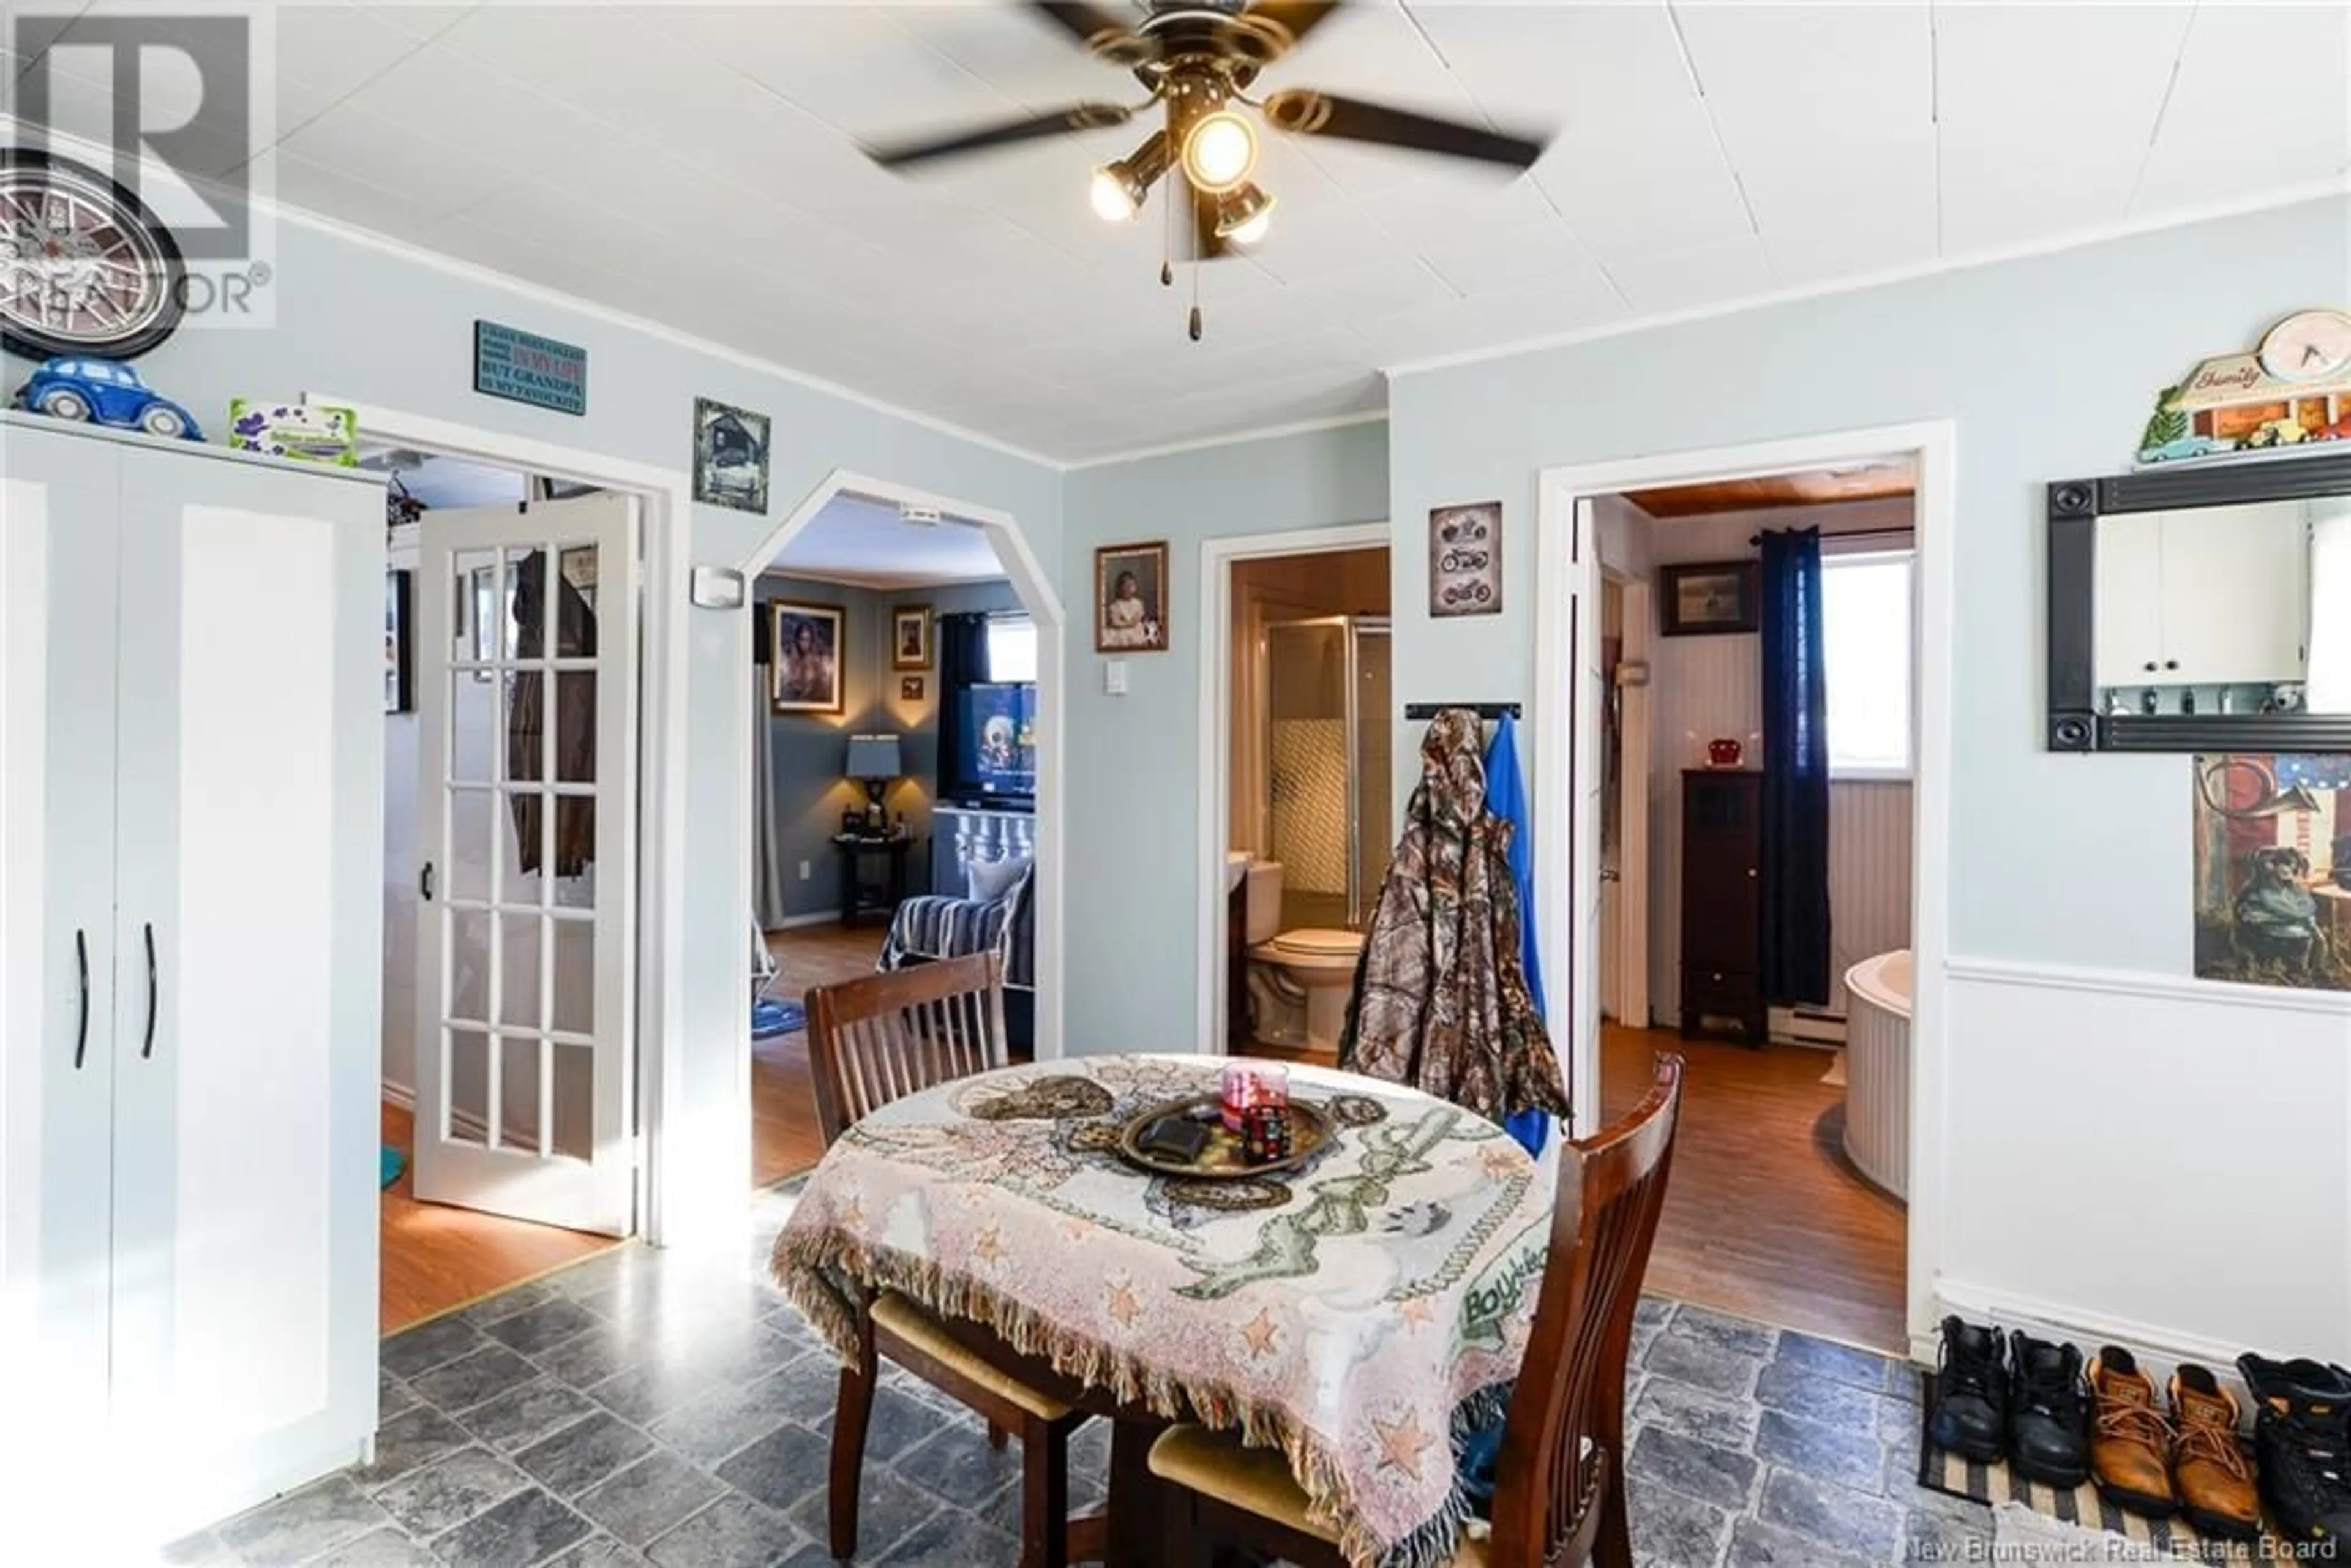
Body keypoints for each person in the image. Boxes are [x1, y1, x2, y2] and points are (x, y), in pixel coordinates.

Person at [777, 620, 836, 704]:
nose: (804, 643)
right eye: (802, 639)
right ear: (797, 640)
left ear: (811, 640)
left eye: (808, 639)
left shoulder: (817, 662)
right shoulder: (789, 661)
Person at [1101, 568, 1156, 648]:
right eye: (1126, 587)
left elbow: (1138, 617)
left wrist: (1134, 622)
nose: (1129, 589)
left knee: (1137, 634)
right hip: (1121, 630)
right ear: (1120, 589)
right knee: (1121, 636)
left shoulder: (1138, 603)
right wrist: (1127, 624)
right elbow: (1115, 622)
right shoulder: (1115, 606)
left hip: (1135, 629)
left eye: (1131, 586)